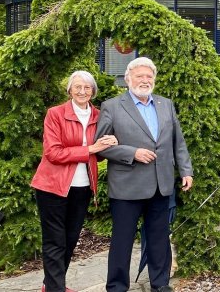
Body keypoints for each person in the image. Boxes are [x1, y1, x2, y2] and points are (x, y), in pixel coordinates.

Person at [96, 58, 193, 292]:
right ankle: (117, 286)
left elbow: (177, 141)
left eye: (149, 77)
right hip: (127, 186)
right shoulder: (112, 106)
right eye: (140, 76)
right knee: (122, 240)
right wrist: (132, 153)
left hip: (161, 184)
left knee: (159, 238)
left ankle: (160, 284)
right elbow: (100, 146)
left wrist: (186, 170)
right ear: (128, 78)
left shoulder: (165, 104)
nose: (145, 80)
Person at [31, 71, 118, 292]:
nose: (82, 91)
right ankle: (55, 289)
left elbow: (98, 154)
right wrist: (91, 148)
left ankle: (51, 284)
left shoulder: (99, 116)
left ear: (93, 91)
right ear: (69, 90)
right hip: (52, 187)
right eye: (77, 87)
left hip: (83, 187)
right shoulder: (56, 114)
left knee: (70, 239)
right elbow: (53, 153)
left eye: (87, 88)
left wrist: (110, 143)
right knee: (55, 241)